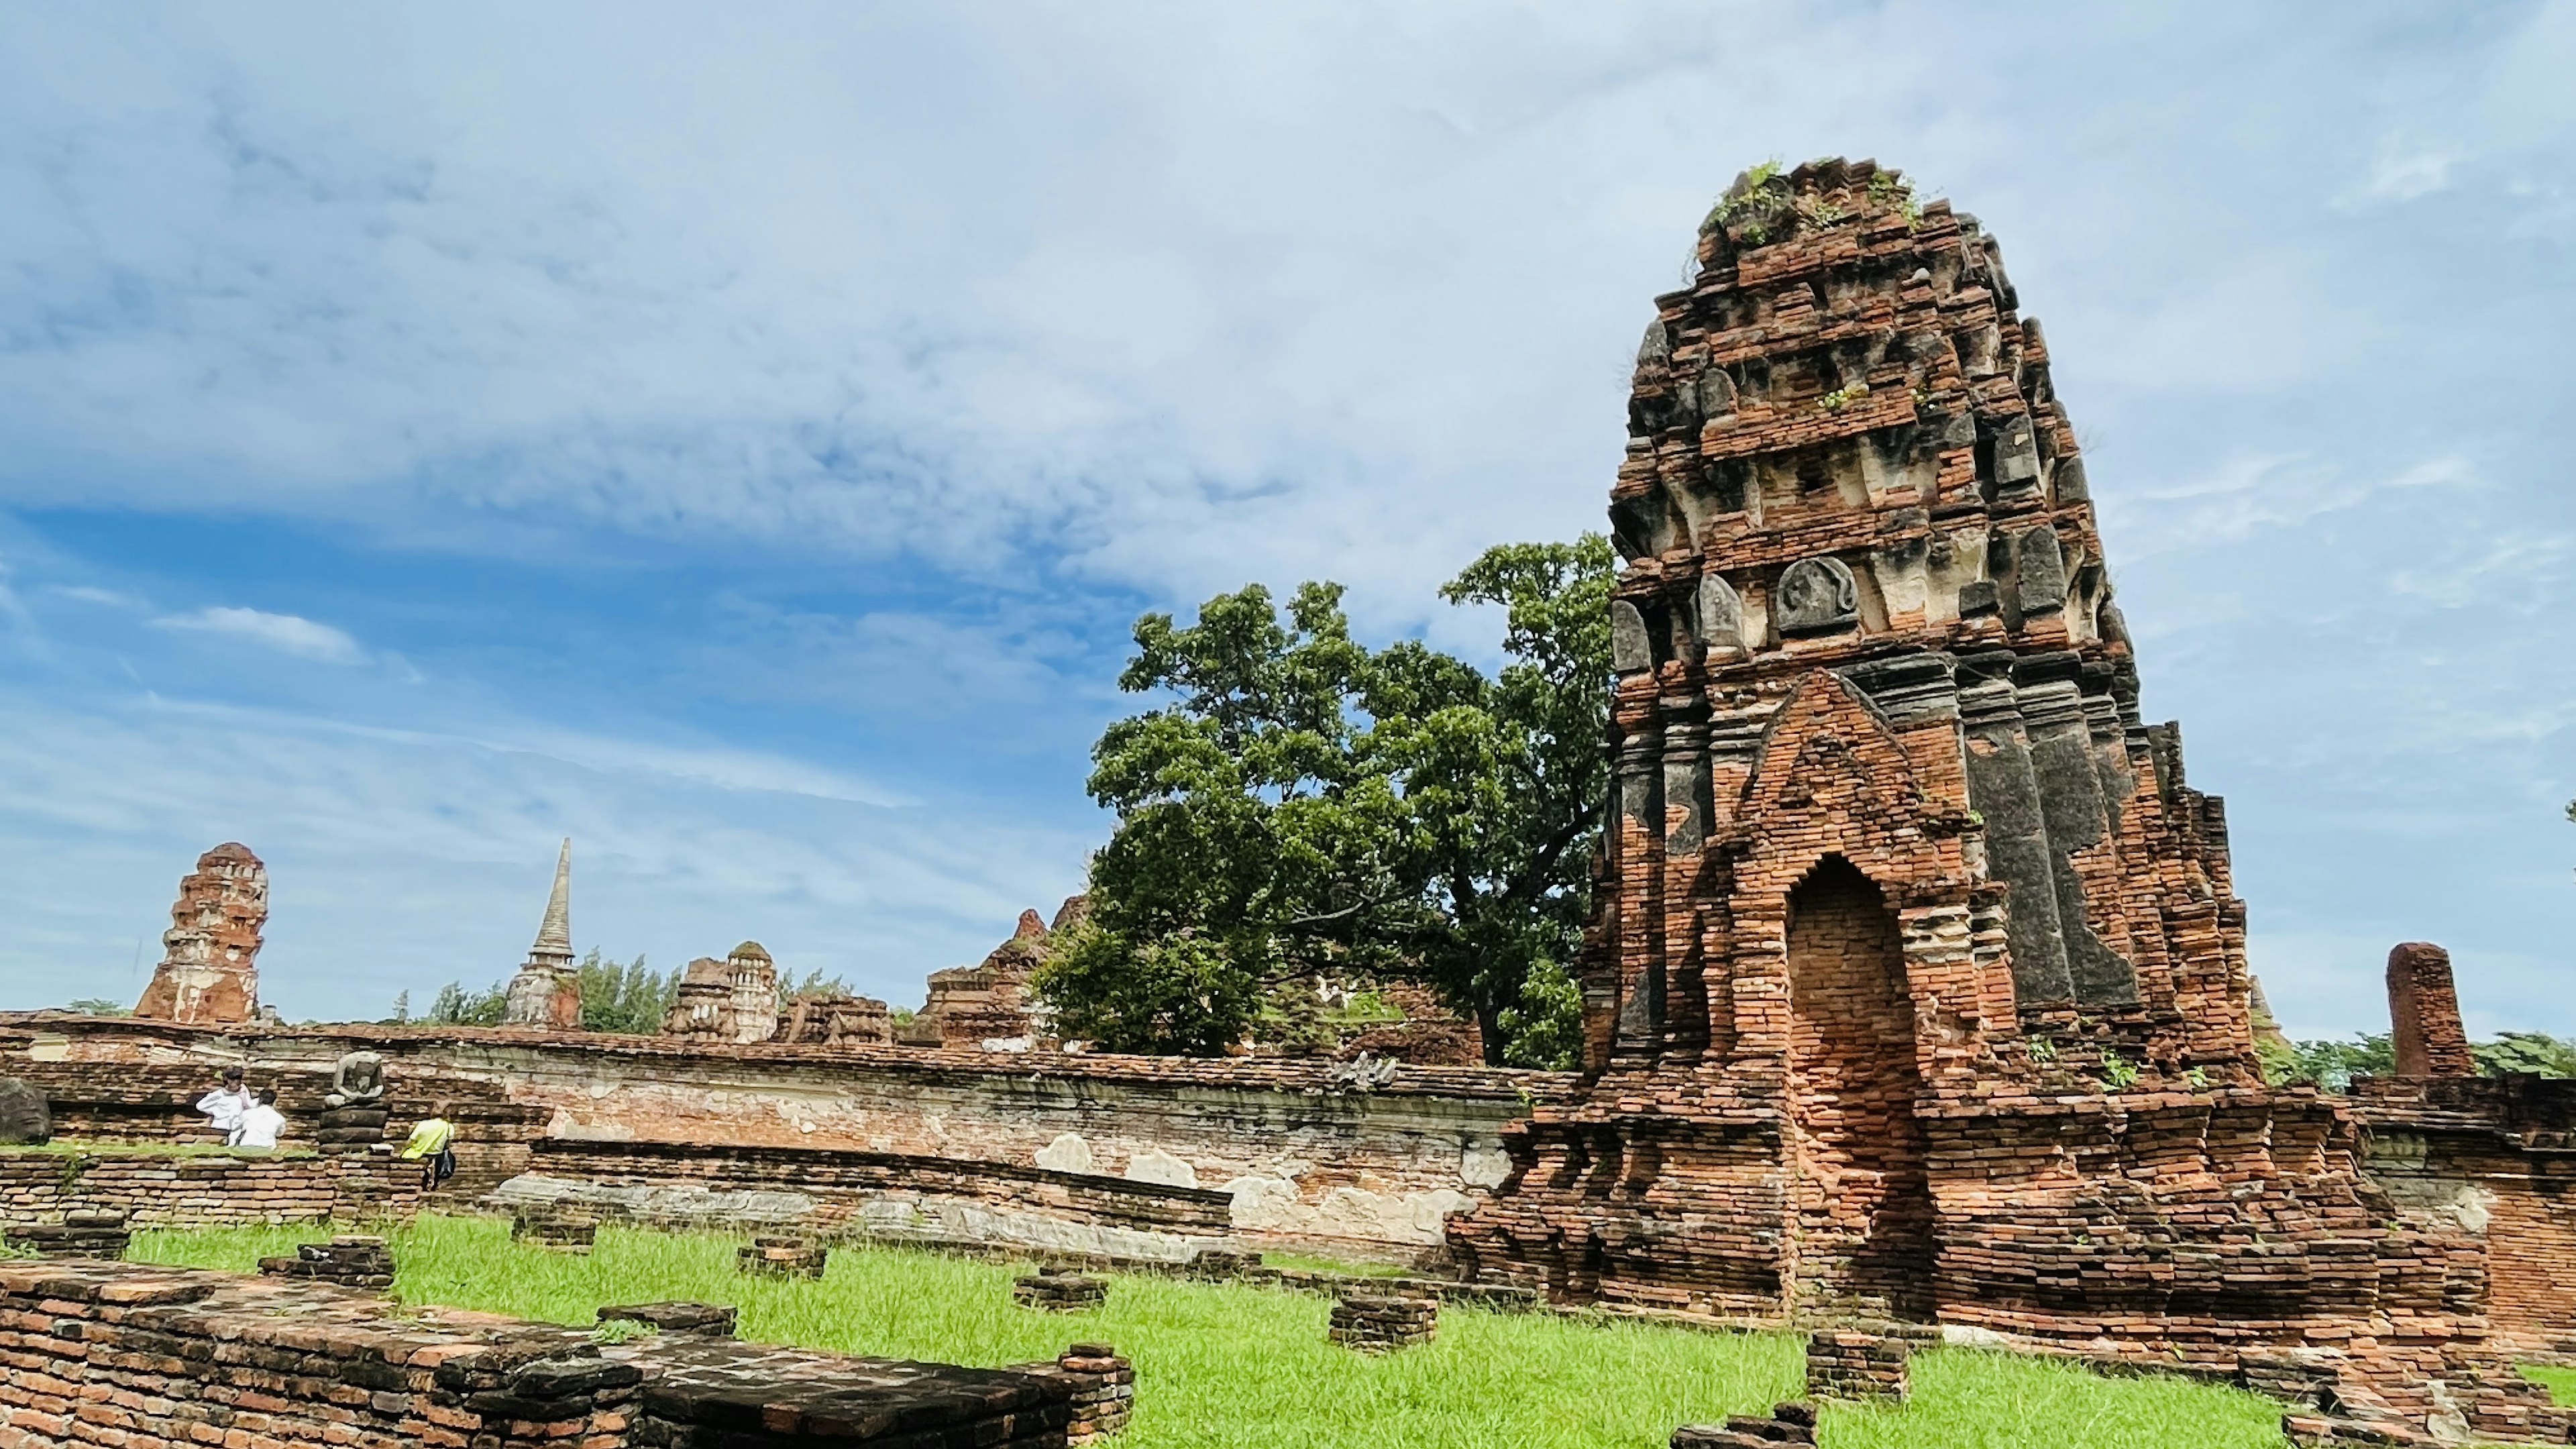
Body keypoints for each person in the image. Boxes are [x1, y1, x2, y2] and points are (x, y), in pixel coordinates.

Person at [399, 1101, 457, 1185]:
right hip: (437, 1153)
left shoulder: (423, 1124)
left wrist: (403, 1150)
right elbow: (448, 1143)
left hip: (419, 1152)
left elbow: (411, 1140)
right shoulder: (448, 1126)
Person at [194, 1067, 255, 1146]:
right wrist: (216, 1111)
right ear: (227, 1080)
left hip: (237, 1128)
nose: (235, 1083)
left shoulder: (243, 1092)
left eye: (238, 1080)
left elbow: (249, 1105)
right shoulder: (218, 1095)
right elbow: (200, 1106)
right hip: (221, 1127)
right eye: (233, 1080)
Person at [233, 1087, 287, 1151]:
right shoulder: (280, 1118)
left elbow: (236, 1127)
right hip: (268, 1147)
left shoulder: (247, 1113)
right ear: (275, 1101)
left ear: (259, 1099)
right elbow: (280, 1134)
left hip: (247, 1145)